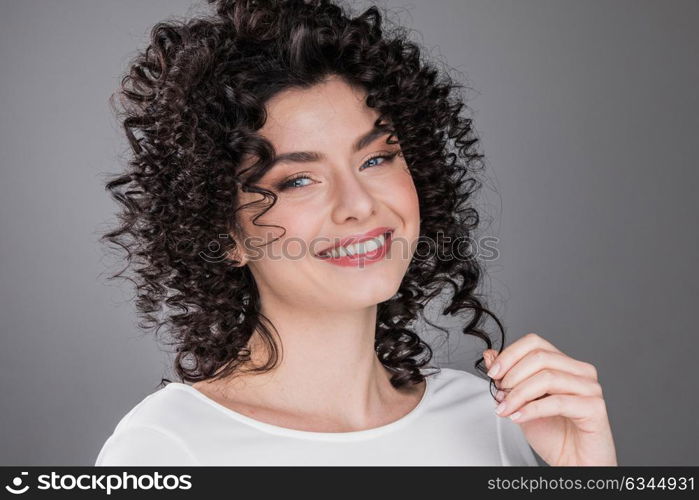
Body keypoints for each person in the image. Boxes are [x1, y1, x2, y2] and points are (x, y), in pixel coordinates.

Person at [96, 0, 616, 466]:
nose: (359, 205)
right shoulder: (168, 450)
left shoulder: (498, 422)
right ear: (223, 230)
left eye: (376, 157)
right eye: (298, 179)